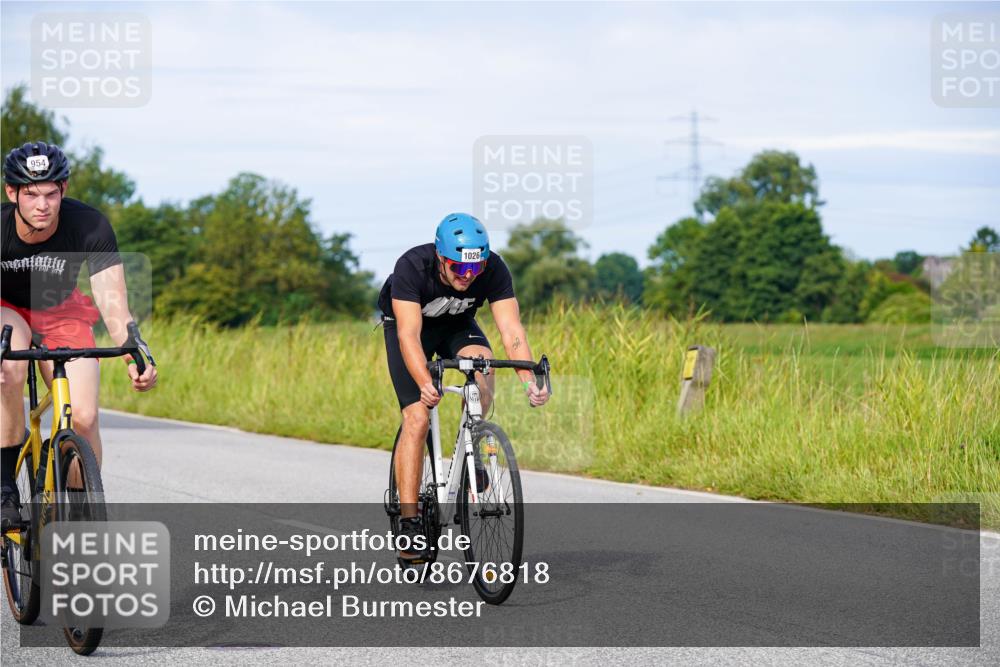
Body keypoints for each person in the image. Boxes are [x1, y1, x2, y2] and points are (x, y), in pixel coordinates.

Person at [1, 141, 157, 530]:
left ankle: (79, 519)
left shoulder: (89, 225)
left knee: (84, 416)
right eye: (32, 194)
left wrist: (136, 352)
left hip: (61, 310)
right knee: (8, 368)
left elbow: (113, 302)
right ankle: (4, 486)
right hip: (7, 307)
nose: (42, 204)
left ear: (64, 190)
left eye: (51, 193)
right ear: (12, 193)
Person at [378, 212, 549, 559]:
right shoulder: (411, 266)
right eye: (459, 268)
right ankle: (410, 523)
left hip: (457, 325)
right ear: (441, 258)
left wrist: (529, 379)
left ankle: (472, 449)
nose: (468, 276)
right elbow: (409, 336)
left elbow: (512, 331)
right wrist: (425, 383)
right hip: (409, 330)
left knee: (484, 366)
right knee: (417, 417)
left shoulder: (495, 268)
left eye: (476, 269)